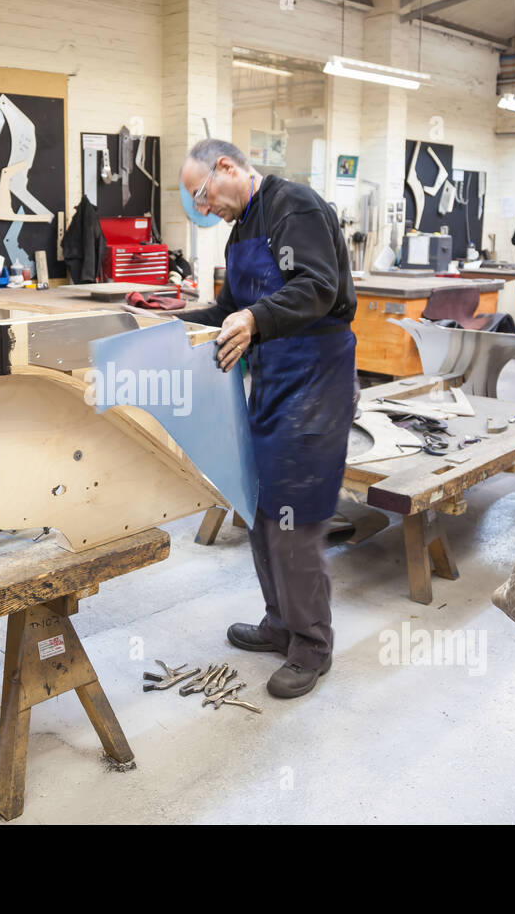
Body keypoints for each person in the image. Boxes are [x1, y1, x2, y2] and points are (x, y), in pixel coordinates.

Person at [175, 139, 357, 699]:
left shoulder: (293, 206)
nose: (204, 210)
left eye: (202, 195)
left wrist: (255, 319)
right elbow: (230, 308)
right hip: (272, 379)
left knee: (293, 513)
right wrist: (168, 322)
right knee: (260, 505)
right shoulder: (241, 232)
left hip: (316, 378)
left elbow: (318, 288)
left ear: (226, 167)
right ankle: (280, 621)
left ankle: (311, 645)